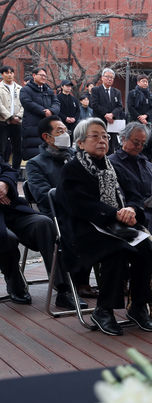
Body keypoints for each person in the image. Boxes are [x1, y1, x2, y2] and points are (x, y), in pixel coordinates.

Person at [56, 118, 152, 335]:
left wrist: (130, 209)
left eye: (104, 136)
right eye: (95, 136)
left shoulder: (112, 166)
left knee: (148, 248)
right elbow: (79, 205)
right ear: (80, 143)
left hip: (115, 226)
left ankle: (138, 307)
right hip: (84, 229)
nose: (102, 140)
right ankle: (104, 310)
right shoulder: (73, 169)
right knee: (117, 252)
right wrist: (116, 213)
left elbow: (133, 195)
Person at [25, 116, 98, 300]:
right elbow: (43, 194)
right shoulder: (36, 164)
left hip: (81, 210)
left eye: (66, 130)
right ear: (46, 137)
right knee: (74, 229)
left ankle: (100, 281)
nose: (65, 134)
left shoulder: (77, 156)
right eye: (59, 131)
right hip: (56, 214)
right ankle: (68, 288)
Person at [109, 122, 152, 233]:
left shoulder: (147, 164)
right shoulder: (111, 163)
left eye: (142, 143)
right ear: (123, 139)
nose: (139, 147)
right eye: (135, 142)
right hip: (131, 216)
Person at [20, 67, 60, 162]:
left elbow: (56, 103)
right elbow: (27, 103)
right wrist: (43, 111)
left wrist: (52, 111)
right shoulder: (26, 90)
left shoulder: (49, 90)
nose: (44, 78)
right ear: (34, 75)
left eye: (45, 76)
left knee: (48, 154)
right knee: (34, 154)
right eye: (41, 75)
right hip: (32, 126)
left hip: (47, 125)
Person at [90, 68, 124, 153]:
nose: (109, 79)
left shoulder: (117, 92)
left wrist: (112, 114)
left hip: (112, 122)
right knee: (99, 142)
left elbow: (120, 106)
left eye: (111, 78)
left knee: (111, 145)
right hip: (100, 121)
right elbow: (94, 104)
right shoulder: (96, 90)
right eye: (107, 77)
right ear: (102, 77)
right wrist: (106, 114)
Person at [0, 65, 23, 169]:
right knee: (3, 148)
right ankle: (3, 170)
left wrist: (18, 116)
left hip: (18, 122)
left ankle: (16, 171)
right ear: (2, 75)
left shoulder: (20, 88)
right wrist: (9, 117)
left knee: (18, 148)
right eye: (7, 73)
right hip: (3, 122)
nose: (9, 75)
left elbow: (24, 104)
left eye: (11, 72)